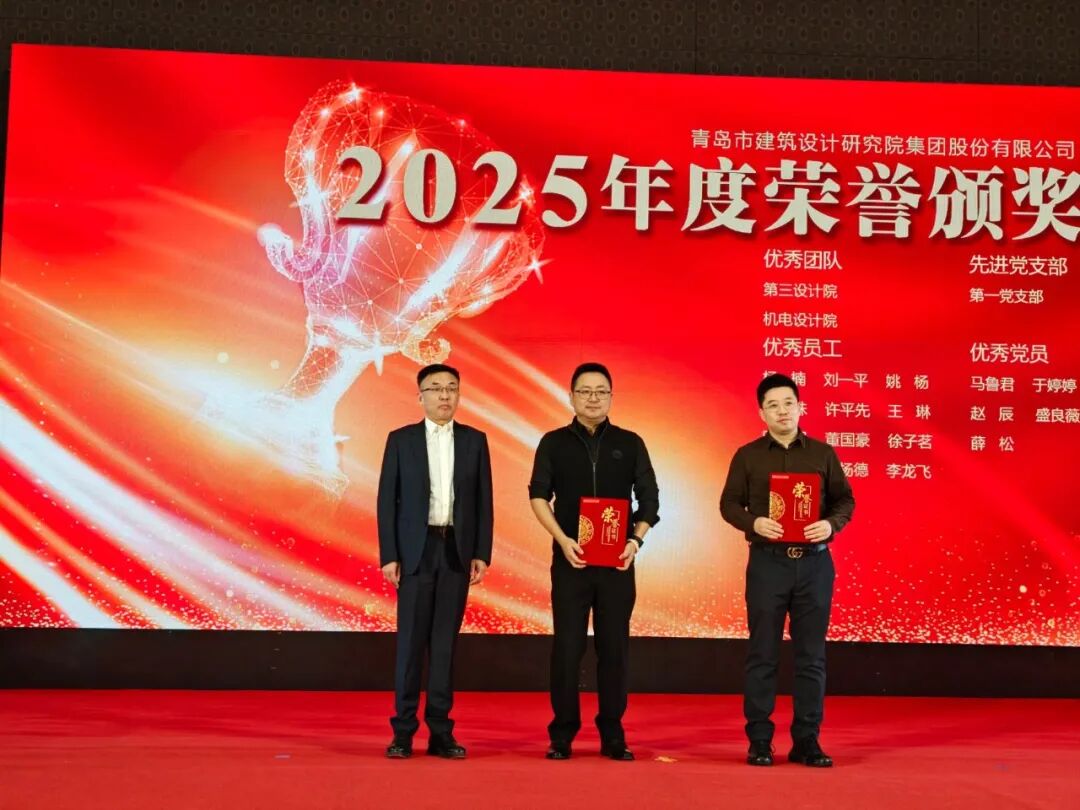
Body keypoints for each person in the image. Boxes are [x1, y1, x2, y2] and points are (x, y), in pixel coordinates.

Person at [720, 373, 855, 768]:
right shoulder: (747, 456)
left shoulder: (823, 453)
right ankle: (760, 740)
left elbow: (845, 501)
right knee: (762, 654)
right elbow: (728, 504)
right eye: (773, 405)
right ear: (761, 413)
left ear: (800, 407)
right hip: (768, 563)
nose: (782, 411)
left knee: (811, 656)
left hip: (814, 563)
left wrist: (830, 525)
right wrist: (754, 523)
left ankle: (807, 741)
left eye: (788, 403)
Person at [528, 362, 659, 761]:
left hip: (617, 564)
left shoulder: (630, 443)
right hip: (572, 561)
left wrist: (635, 541)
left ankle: (613, 732)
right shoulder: (553, 442)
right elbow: (538, 496)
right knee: (567, 648)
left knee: (614, 649)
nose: (593, 398)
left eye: (601, 391)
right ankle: (562, 732)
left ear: (611, 397)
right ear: (571, 396)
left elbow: (650, 500)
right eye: (585, 391)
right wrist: (562, 540)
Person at [377, 363, 493, 759]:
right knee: (411, 644)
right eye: (435, 388)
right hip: (416, 551)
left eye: (451, 388)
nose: (444, 395)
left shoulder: (475, 441)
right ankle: (403, 732)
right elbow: (386, 501)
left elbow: (483, 502)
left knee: (445, 645)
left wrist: (481, 552)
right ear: (420, 396)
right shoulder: (401, 440)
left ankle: (441, 732)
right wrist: (390, 554)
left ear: (459, 394)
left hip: (456, 550)